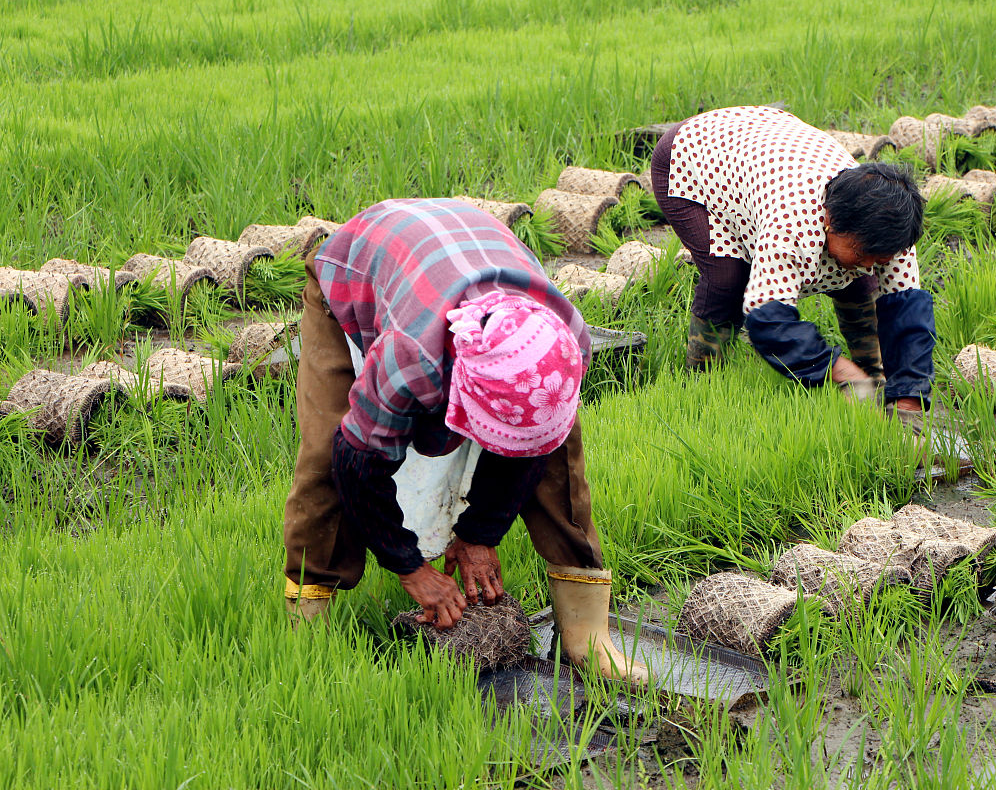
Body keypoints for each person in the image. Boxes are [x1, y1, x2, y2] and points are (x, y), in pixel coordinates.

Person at [282, 197, 646, 683]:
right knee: (326, 450)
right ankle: (308, 639)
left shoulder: (563, 342)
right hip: (360, 261)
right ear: (459, 387)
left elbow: (530, 448)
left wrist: (480, 533)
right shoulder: (413, 356)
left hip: (470, 250)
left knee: (559, 460)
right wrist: (409, 567)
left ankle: (587, 638)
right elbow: (357, 461)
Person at [650, 105, 935, 413]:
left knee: (860, 281)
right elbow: (767, 317)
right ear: (829, 218)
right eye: (863, 253)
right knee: (728, 277)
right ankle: (701, 383)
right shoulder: (791, 224)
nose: (871, 264)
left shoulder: (894, 226)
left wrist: (910, 400)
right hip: (694, 157)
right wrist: (836, 368)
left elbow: (908, 315)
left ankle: (877, 384)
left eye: (879, 257)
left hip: (770, 143)